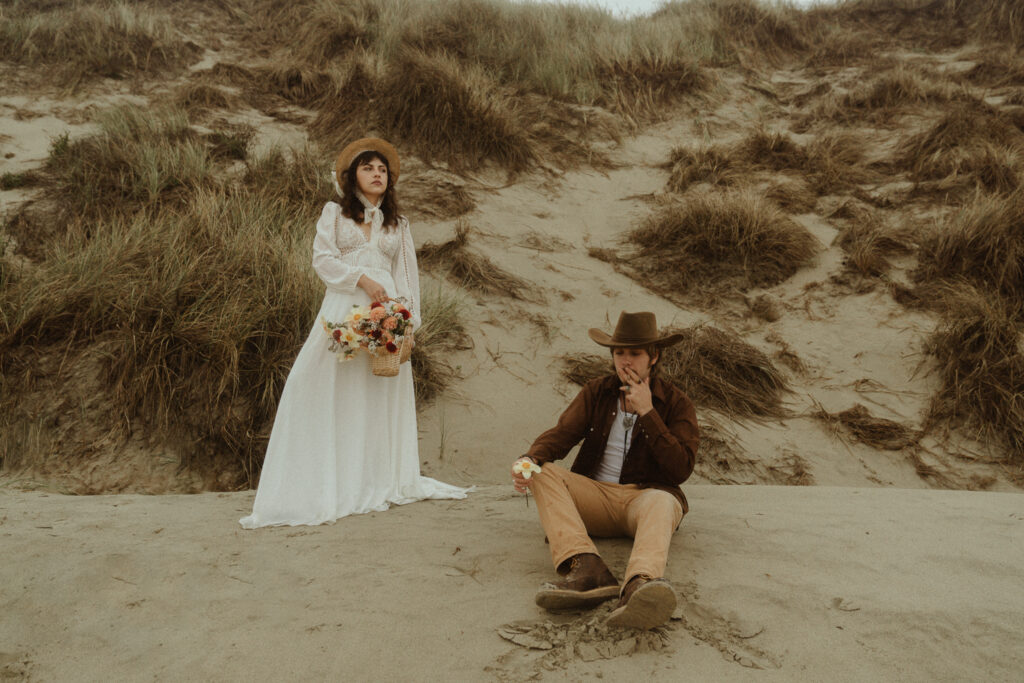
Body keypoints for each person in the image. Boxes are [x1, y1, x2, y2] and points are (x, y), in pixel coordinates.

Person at [240, 138, 469, 528]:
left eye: (382, 169)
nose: (377, 174)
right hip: (342, 306)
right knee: (314, 384)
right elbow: (322, 260)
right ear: (352, 177)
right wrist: (360, 277)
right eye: (368, 168)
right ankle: (319, 479)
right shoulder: (334, 213)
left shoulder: (398, 224)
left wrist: (407, 321)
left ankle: (372, 479)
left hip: (385, 315)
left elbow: (407, 276)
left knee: (374, 392)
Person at [511, 311, 698, 629]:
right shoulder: (597, 391)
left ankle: (639, 586)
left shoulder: (677, 404)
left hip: (645, 500)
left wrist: (648, 411)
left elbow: (680, 468)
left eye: (635, 353)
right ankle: (586, 569)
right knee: (542, 472)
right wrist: (528, 461)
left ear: (653, 356)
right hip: (596, 498)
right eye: (619, 352)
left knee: (664, 501)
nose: (626, 360)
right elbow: (561, 435)